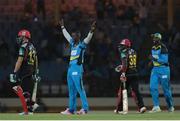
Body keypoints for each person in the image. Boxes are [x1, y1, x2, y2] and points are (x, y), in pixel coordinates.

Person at [59, 19, 96, 115]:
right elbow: (66, 36)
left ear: (78, 36)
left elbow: (88, 39)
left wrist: (91, 31)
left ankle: (85, 108)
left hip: (77, 69)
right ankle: (71, 109)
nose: (72, 36)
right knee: (71, 90)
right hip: (70, 69)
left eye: (74, 35)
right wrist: (62, 27)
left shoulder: (81, 45)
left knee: (80, 89)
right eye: (72, 35)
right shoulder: (72, 44)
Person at [10, 29, 40, 115]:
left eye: (20, 37)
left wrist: (15, 72)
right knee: (28, 92)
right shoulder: (32, 46)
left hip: (25, 71)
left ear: (24, 37)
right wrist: (36, 71)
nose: (19, 38)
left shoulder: (23, 47)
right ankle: (31, 108)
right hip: (31, 70)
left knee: (25, 92)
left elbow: (20, 60)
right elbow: (36, 60)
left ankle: (31, 108)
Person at [114, 39, 146, 114]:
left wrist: (123, 73)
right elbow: (131, 63)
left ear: (126, 46)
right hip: (134, 73)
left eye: (122, 45)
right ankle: (142, 107)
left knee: (121, 92)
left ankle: (120, 109)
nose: (120, 47)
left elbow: (125, 64)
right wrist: (121, 66)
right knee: (136, 91)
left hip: (127, 74)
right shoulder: (134, 51)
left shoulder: (123, 52)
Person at [149, 33, 174, 113]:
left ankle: (170, 106)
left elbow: (165, 61)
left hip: (164, 70)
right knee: (152, 87)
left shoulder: (163, 48)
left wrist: (154, 59)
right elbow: (155, 58)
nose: (153, 39)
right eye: (153, 38)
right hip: (155, 70)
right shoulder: (153, 47)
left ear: (159, 39)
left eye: (155, 38)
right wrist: (151, 61)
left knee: (166, 90)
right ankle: (156, 106)